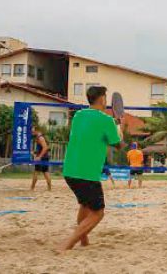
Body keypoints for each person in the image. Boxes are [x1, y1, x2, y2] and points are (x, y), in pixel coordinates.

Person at [58, 86, 126, 251]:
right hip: (87, 173)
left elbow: (94, 133)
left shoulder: (78, 115)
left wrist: (114, 126)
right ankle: (66, 244)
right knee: (97, 212)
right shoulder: (106, 120)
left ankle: (84, 241)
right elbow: (118, 145)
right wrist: (121, 128)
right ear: (102, 99)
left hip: (70, 170)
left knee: (85, 206)